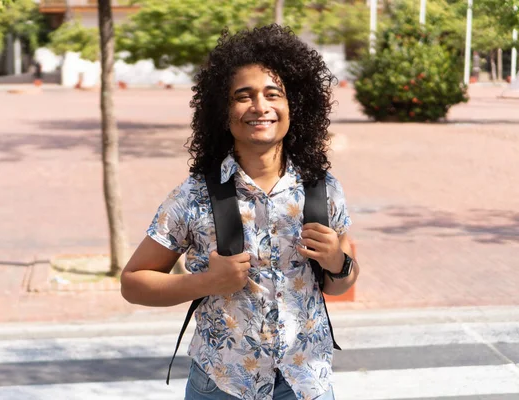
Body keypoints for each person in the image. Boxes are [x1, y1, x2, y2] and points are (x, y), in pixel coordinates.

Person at [121, 24, 360, 400]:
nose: (260, 107)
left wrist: (338, 261)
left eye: (272, 94)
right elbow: (133, 282)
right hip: (222, 383)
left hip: (305, 382)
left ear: (292, 105)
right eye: (243, 96)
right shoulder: (195, 195)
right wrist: (205, 282)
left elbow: (341, 282)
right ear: (223, 110)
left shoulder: (322, 188)